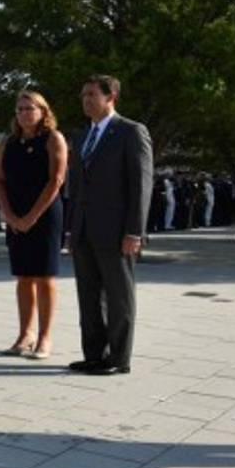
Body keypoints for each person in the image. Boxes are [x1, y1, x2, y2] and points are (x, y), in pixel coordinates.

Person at [66, 74, 153, 376]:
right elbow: (75, 187)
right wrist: (70, 229)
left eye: (91, 94)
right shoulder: (80, 137)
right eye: (83, 95)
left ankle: (118, 358)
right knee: (88, 296)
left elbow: (141, 185)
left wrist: (134, 231)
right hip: (84, 230)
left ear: (110, 97)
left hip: (117, 232)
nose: (85, 100)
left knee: (119, 297)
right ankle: (94, 354)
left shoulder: (130, 132)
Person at [0, 91, 67, 359]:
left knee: (44, 276)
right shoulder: (8, 143)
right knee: (23, 276)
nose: (24, 113)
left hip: (45, 215)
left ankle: (45, 338)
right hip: (16, 215)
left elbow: (56, 181)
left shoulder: (53, 139)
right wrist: (10, 215)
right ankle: (26, 334)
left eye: (30, 108)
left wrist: (31, 218)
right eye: (20, 109)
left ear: (43, 111)